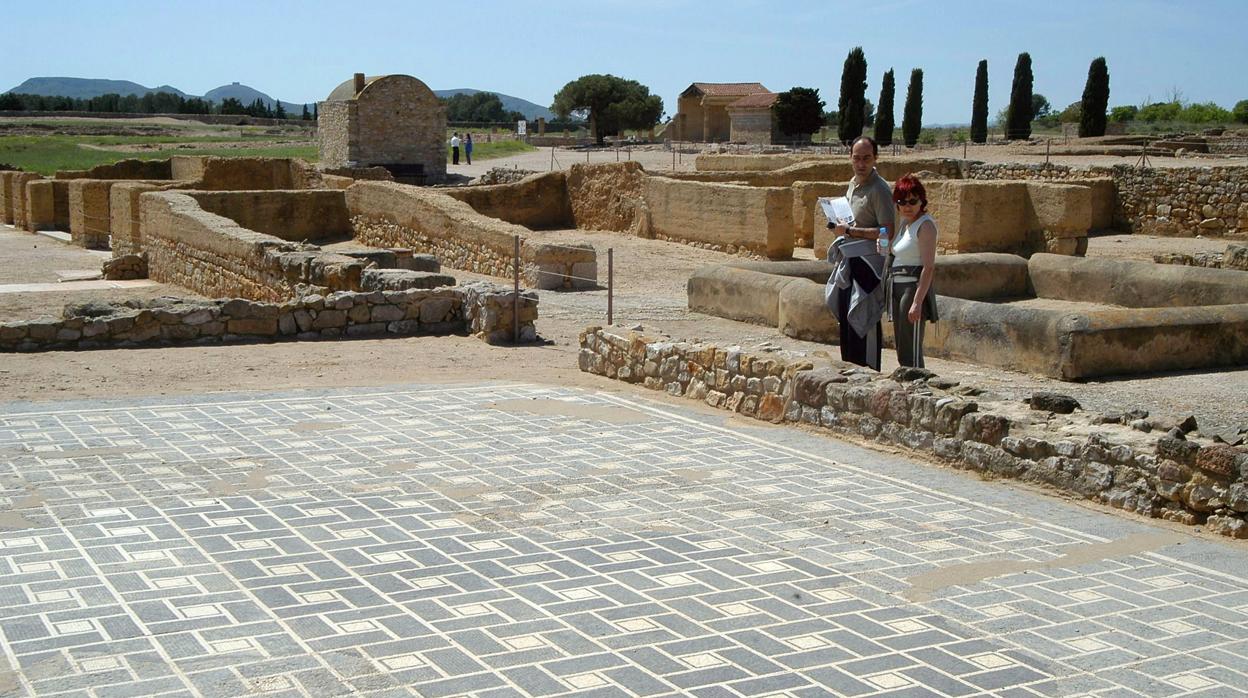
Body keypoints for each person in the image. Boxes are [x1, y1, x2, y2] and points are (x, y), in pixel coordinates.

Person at [826, 136, 896, 370]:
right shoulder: (852, 184)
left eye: (866, 158)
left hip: (868, 269)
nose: (861, 163)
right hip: (850, 263)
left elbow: (888, 231)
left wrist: (851, 231)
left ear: (875, 158)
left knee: (863, 325)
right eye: (857, 158)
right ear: (850, 159)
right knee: (848, 326)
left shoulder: (880, 189)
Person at [888, 174, 940, 367]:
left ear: (921, 201)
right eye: (902, 202)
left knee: (911, 343)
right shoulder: (905, 224)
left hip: (911, 287)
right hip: (896, 285)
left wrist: (917, 302)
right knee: (902, 341)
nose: (907, 206)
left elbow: (928, 267)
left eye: (912, 201)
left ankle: (918, 384)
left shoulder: (925, 225)